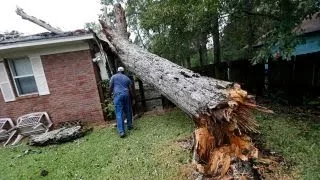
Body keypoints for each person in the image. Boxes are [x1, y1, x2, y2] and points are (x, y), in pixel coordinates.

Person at [109, 67, 133, 138]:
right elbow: (130, 89)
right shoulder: (127, 78)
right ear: (123, 71)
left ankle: (122, 132)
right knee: (128, 110)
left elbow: (110, 87)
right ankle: (129, 126)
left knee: (119, 113)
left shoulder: (113, 77)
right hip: (126, 95)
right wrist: (133, 97)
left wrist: (109, 93)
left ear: (117, 71)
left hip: (118, 96)